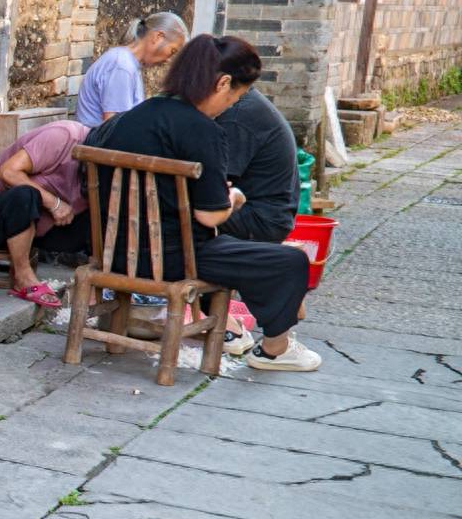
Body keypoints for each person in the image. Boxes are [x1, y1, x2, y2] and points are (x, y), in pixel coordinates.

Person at [85, 35, 321, 372]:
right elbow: (210, 217)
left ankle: (231, 328)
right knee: (291, 261)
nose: (231, 105)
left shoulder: (131, 116)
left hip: (110, 249)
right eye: (236, 96)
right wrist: (233, 198)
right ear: (223, 83)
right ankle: (275, 350)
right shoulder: (204, 131)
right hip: (173, 259)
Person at [0, 119, 92, 309]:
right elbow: (8, 172)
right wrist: (54, 203)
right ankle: (23, 278)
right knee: (26, 194)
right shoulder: (64, 136)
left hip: (37, 223)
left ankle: (96, 288)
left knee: (99, 217)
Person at [217, 89, 300, 244]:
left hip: (261, 220)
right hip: (272, 215)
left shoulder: (236, 116)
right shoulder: (248, 101)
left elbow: (215, 184)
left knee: (187, 212)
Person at [75, 12, 188, 125]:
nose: (168, 59)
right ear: (158, 37)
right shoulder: (121, 65)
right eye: (172, 51)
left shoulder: (128, 63)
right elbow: (113, 126)